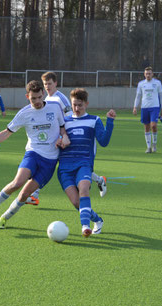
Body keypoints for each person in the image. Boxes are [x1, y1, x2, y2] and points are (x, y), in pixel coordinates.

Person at [0, 80, 70, 229]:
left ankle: (4, 217)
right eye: (32, 98)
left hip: (50, 161)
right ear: (27, 96)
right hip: (33, 154)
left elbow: (63, 128)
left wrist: (63, 137)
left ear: (43, 94)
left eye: (39, 97)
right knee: (17, 183)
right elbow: (6, 133)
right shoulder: (24, 113)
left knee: (24, 195)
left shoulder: (55, 108)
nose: (36, 101)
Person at [26, 72, 108, 206]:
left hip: (65, 140)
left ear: (55, 83)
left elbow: (71, 119)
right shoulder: (47, 98)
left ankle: (34, 193)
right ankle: (99, 180)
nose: (47, 86)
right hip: (51, 138)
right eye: (45, 84)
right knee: (48, 164)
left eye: (50, 83)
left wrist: (63, 137)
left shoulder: (60, 99)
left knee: (52, 164)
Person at [58, 88, 115, 237]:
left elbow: (103, 142)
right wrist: (59, 141)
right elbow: (56, 140)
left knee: (84, 189)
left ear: (86, 104)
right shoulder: (64, 121)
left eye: (80, 105)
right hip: (64, 167)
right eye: (74, 105)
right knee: (77, 203)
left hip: (84, 164)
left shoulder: (94, 120)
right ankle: (98, 220)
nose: (76, 109)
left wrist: (109, 122)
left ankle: (85, 226)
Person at [133, 66, 162, 153]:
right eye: (146, 73)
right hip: (144, 108)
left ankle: (154, 144)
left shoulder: (157, 83)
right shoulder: (141, 84)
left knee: (153, 126)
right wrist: (135, 107)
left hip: (155, 107)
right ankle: (148, 147)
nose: (148, 75)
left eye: (149, 73)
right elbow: (138, 96)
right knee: (146, 127)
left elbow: (161, 96)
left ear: (152, 74)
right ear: (144, 74)